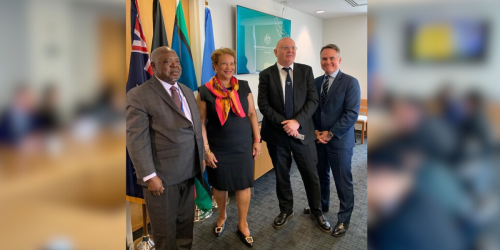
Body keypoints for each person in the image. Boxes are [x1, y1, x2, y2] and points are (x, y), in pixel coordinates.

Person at [126, 46, 205, 250]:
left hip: (189, 171)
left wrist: (202, 157)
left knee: (185, 226)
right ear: (153, 66)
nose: (175, 65)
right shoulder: (139, 95)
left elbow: (195, 128)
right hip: (162, 177)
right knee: (165, 233)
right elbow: (136, 140)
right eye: (167, 62)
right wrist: (149, 176)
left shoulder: (186, 91)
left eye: (176, 61)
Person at [258, 37, 331, 233]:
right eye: (285, 48)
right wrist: (286, 124)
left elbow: (313, 100)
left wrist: (296, 122)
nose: (290, 51)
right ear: (276, 52)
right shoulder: (266, 74)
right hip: (277, 135)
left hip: (303, 134)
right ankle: (285, 210)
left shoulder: (305, 71)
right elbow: (263, 104)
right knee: (282, 176)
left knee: (311, 174)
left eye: (293, 48)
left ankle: (317, 211)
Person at [197, 47, 261, 247]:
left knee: (244, 184)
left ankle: (242, 223)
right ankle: (222, 217)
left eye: (232, 63)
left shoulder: (243, 85)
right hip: (219, 147)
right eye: (224, 63)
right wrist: (206, 150)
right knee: (220, 185)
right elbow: (200, 123)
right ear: (214, 66)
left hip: (243, 145)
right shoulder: (204, 90)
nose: (229, 67)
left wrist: (257, 140)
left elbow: (251, 114)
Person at [307, 44, 360, 237]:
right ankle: (322, 206)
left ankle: (343, 220)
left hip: (339, 141)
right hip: (318, 140)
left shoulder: (350, 82)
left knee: (342, 181)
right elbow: (311, 110)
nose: (327, 62)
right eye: (323, 59)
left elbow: (351, 114)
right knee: (321, 176)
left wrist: (329, 134)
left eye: (331, 58)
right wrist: (314, 132)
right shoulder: (316, 81)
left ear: (339, 60)